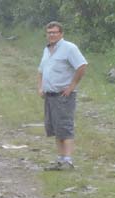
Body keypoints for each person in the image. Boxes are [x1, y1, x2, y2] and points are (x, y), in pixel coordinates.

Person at [37, 21, 87, 171]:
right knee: (55, 129)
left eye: (55, 32)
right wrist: (40, 87)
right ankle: (60, 160)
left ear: (61, 34)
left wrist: (71, 86)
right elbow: (41, 70)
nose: (52, 35)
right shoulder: (47, 50)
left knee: (65, 127)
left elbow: (82, 66)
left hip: (63, 96)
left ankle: (68, 161)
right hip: (49, 96)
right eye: (49, 32)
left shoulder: (69, 48)